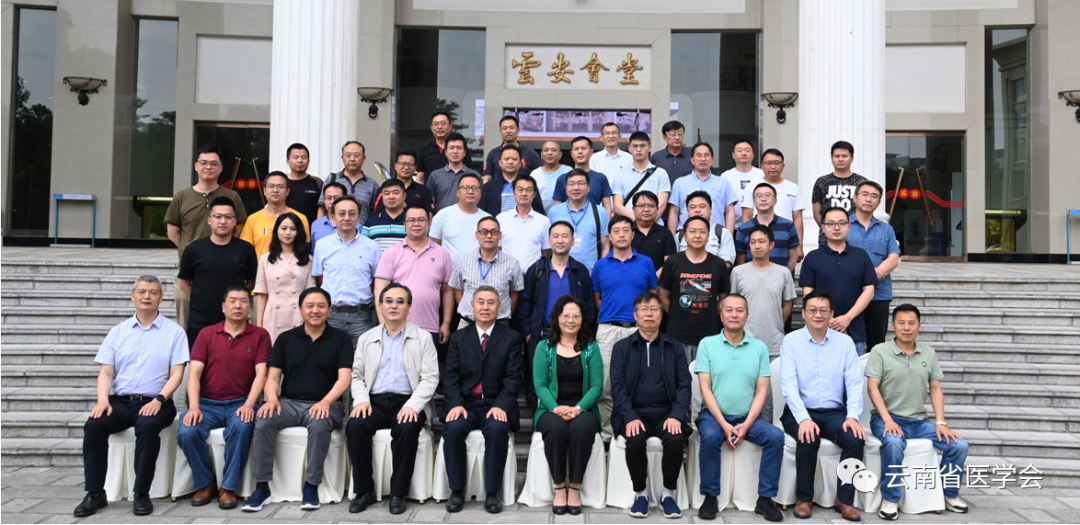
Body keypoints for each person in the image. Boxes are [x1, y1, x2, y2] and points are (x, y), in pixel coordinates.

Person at [74, 276, 188, 518]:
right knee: (94, 425)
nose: (147, 296)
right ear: (133, 296)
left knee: (147, 426)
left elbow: (177, 374)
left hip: (158, 401)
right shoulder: (118, 332)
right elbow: (106, 372)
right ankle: (95, 493)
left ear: (161, 298)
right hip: (121, 402)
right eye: (142, 291)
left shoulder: (175, 332)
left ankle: (142, 492)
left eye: (153, 292)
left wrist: (159, 400)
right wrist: (103, 400)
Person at [245, 287, 353, 512]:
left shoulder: (341, 338)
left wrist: (325, 402)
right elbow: (273, 377)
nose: (315, 311)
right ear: (300, 309)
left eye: (321, 306)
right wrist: (272, 398)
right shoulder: (286, 339)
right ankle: (262, 486)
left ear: (329, 310)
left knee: (319, 422)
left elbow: (345, 378)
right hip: (289, 403)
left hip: (327, 404)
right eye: (310, 306)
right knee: (264, 420)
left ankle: (311, 485)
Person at [866, 304, 969, 520]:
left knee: (959, 445)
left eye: (911, 323)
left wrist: (940, 422)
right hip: (886, 418)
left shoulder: (928, 353)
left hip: (919, 422)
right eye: (901, 323)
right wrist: (888, 420)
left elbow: (936, 389)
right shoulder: (880, 351)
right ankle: (891, 498)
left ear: (919, 326)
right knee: (893, 442)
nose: (906, 328)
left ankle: (949, 494)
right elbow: (872, 388)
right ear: (893, 325)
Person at [346, 283, 440, 515]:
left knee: (407, 428)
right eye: (388, 301)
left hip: (407, 401)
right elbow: (356, 375)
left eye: (400, 301)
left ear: (409, 307)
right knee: (355, 426)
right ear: (379, 306)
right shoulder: (367, 338)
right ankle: (364, 491)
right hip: (374, 402)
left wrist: (412, 406)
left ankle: (398, 493)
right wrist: (362, 401)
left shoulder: (423, 338)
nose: (394, 306)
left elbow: (430, 378)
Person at [177, 287, 271, 509]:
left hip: (241, 402)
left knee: (243, 427)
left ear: (250, 307)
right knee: (187, 431)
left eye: (243, 301)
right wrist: (194, 406)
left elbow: (262, 374)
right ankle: (205, 483)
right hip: (207, 404)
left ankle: (228, 487)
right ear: (223, 307)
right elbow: (194, 374)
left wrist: (249, 404)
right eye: (232, 301)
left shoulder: (260, 335)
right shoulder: (206, 334)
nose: (238, 305)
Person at [694, 294, 784, 522]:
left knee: (775, 436)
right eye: (729, 310)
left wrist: (746, 425)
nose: (734, 315)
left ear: (747, 315)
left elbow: (762, 391)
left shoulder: (759, 347)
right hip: (713, 416)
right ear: (721, 314)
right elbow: (705, 389)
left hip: (747, 417)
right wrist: (725, 425)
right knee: (711, 435)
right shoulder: (707, 344)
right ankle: (710, 497)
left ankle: (765, 499)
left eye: (739, 310)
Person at [779, 290, 865, 521]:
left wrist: (852, 416)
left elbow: (854, 383)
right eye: (813, 310)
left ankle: (844, 500)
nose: (818, 314)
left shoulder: (845, 342)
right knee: (808, 436)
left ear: (831, 313)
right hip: (799, 411)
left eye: (823, 310)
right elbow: (789, 385)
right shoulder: (791, 341)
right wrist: (804, 419)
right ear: (803, 313)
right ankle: (804, 498)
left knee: (855, 438)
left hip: (834, 412)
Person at [441, 286, 525, 514]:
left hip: (495, 404)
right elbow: (451, 375)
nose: (485, 307)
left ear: (500, 307)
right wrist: (455, 403)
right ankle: (456, 490)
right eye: (481, 302)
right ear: (472, 306)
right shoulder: (459, 338)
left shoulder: (512, 338)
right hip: (466, 404)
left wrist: (501, 405)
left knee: (497, 430)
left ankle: (492, 492)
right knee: (453, 429)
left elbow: (513, 377)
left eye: (491, 302)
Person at [610, 292, 692, 519]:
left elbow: (684, 385)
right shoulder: (622, 348)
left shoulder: (674, 347)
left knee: (675, 438)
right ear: (635, 315)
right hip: (634, 413)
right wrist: (629, 416)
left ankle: (668, 494)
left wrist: (677, 415)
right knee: (634, 438)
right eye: (644, 310)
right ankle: (641, 494)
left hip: (666, 414)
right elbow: (617, 387)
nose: (649, 314)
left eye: (654, 309)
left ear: (661, 315)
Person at [532, 296, 603, 516]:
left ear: (583, 319)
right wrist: (555, 408)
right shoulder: (544, 347)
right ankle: (559, 487)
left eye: (576, 316)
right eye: (566, 316)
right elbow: (540, 385)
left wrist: (578, 408)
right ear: (557, 318)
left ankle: (574, 488)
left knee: (581, 429)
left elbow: (597, 386)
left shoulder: (591, 348)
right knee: (556, 429)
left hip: (584, 409)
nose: (571, 320)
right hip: (550, 408)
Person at [165, 143, 248, 330]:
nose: (208, 167)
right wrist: (195, 254)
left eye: (213, 163)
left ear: (221, 168)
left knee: (227, 326)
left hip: (225, 271)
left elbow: (239, 228)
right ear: (196, 166)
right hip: (189, 273)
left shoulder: (232, 197)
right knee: (187, 327)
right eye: (203, 163)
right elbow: (173, 233)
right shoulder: (181, 197)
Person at [593, 215, 659, 441]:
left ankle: (635, 431)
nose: (621, 234)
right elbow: (598, 298)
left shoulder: (646, 263)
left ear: (633, 234)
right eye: (616, 231)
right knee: (605, 385)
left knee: (640, 382)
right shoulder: (600, 265)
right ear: (610, 236)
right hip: (608, 329)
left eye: (625, 230)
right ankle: (606, 436)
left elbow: (653, 295)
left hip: (639, 330)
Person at [519, 221, 596, 407]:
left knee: (571, 380)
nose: (560, 240)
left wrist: (585, 334)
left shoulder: (580, 271)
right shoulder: (537, 269)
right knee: (539, 382)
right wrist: (529, 333)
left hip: (573, 333)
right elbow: (525, 303)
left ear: (572, 241)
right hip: (542, 333)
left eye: (565, 236)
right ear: (549, 241)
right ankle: (540, 420)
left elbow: (588, 306)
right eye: (556, 236)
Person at [177, 197, 258, 346]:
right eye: (218, 216)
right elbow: (183, 282)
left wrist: (236, 301)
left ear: (235, 221)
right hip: (200, 320)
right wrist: (200, 300)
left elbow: (251, 282)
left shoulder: (246, 249)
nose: (223, 221)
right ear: (209, 220)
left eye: (228, 217)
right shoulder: (194, 249)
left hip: (234, 319)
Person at [374, 205, 455, 350]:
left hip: (430, 326)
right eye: (411, 220)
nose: (416, 224)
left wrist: (446, 323)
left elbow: (448, 290)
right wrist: (383, 323)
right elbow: (380, 288)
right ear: (404, 224)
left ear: (429, 223)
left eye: (421, 220)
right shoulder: (391, 252)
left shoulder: (442, 253)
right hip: (396, 325)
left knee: (427, 365)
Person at [799, 206, 878, 355]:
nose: (836, 227)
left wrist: (847, 318)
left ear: (849, 227)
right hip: (820, 331)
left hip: (854, 330)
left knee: (853, 370)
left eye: (841, 223)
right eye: (831, 223)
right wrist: (828, 320)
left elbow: (869, 291)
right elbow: (808, 294)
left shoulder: (861, 256)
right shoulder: (813, 258)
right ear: (823, 228)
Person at [312, 196, 383, 348]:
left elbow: (375, 282)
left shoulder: (372, 247)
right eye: (341, 213)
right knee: (329, 358)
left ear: (358, 217)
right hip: (330, 315)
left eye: (352, 213)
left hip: (361, 317)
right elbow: (320, 278)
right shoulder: (322, 245)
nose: (346, 218)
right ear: (333, 216)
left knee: (363, 358)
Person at [658, 216, 729, 361]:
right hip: (677, 334)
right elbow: (663, 295)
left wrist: (709, 312)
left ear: (708, 236)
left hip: (709, 335)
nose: (697, 235)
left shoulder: (719, 264)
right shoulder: (673, 262)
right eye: (693, 231)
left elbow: (724, 298)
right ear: (685, 236)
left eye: (702, 231)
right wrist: (677, 313)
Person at [847, 181, 901, 351]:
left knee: (876, 345)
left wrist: (875, 273)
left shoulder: (886, 229)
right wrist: (869, 274)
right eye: (864, 194)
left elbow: (894, 257)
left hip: (879, 295)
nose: (869, 199)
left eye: (874, 196)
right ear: (855, 198)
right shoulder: (843, 225)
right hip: (850, 294)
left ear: (879, 202)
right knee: (848, 343)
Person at [730, 225, 795, 358]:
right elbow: (731, 305)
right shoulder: (738, 272)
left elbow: (788, 305)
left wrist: (776, 324)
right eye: (753, 242)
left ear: (771, 245)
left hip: (775, 343)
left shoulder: (783, 273)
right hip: (744, 342)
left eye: (761, 241)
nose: (757, 246)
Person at [449, 216, 525, 327]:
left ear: (499, 235)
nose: (489, 236)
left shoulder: (512, 263)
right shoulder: (463, 261)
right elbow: (457, 290)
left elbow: (515, 295)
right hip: (468, 323)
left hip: (500, 324)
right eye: (484, 232)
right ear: (477, 235)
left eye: (493, 232)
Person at [254, 212, 317, 344]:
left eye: (293, 229)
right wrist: (259, 324)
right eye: (284, 228)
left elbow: (310, 294)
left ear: (298, 232)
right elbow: (262, 294)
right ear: (276, 230)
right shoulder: (265, 259)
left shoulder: (308, 260)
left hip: (298, 316)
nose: (288, 233)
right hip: (273, 316)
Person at [740, 148, 805, 260]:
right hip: (758, 241)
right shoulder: (752, 187)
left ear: (783, 166)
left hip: (785, 238)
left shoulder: (793, 188)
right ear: (762, 166)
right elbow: (747, 216)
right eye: (769, 163)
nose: (773, 166)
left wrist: (799, 246)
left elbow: (798, 218)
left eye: (777, 163)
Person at [547, 169, 611, 272]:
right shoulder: (554, 212)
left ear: (588, 187)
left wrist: (600, 271)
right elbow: (549, 245)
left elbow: (605, 246)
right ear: (566, 188)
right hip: (560, 274)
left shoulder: (600, 212)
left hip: (591, 274)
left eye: (580, 183)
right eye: (571, 184)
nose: (576, 188)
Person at [668, 142, 738, 235]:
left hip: (716, 234)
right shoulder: (679, 183)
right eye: (699, 155)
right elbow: (674, 212)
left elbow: (729, 211)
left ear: (712, 160)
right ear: (692, 160)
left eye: (706, 155)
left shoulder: (723, 183)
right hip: (687, 234)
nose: (703, 159)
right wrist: (673, 238)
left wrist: (728, 236)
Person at [239, 171, 311, 259]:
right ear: (264, 190)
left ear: (287, 191)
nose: (275, 190)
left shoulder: (300, 218)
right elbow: (245, 251)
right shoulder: (252, 219)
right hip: (260, 267)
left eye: (280, 186)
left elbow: (304, 250)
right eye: (271, 186)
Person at [811, 141, 868, 247]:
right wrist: (829, 229)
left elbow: (866, 211)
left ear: (852, 158)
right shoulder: (821, 182)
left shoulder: (862, 182)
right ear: (832, 159)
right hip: (827, 239)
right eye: (837, 156)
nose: (840, 159)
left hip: (856, 238)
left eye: (844, 156)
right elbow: (817, 214)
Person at [734, 183, 799, 273]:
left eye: (768, 195)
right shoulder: (743, 229)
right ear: (754, 201)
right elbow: (740, 262)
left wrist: (782, 277)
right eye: (759, 196)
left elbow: (792, 260)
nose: (763, 199)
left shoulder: (788, 226)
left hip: (780, 279)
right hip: (752, 279)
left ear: (775, 201)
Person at [430, 172, 491, 264]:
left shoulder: (488, 219)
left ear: (480, 193)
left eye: (475, 188)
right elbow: (433, 245)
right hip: (449, 271)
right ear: (458, 192)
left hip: (481, 271)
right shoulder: (442, 215)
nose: (470, 191)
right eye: (465, 188)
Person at [612, 132, 671, 223]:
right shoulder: (620, 175)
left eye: (642, 146)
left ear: (649, 148)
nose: (639, 149)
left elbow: (662, 204)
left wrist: (649, 224)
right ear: (630, 148)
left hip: (655, 226)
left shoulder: (661, 173)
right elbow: (618, 206)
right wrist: (639, 223)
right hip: (629, 226)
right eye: (635, 146)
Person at [497, 175, 551, 271]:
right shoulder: (501, 219)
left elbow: (546, 251)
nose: (524, 194)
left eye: (528, 190)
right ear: (514, 193)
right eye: (520, 190)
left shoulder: (544, 221)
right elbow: (498, 247)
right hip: (506, 274)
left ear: (534, 194)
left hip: (533, 275)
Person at [319, 141, 379, 225]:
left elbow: (374, 212)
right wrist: (320, 227)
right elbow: (322, 207)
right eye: (348, 155)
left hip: (363, 231)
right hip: (335, 230)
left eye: (356, 155)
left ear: (364, 158)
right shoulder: (332, 179)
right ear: (342, 158)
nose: (352, 159)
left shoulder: (372, 184)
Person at [553, 135, 614, 216]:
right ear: (571, 153)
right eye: (576, 149)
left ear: (591, 152)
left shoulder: (601, 178)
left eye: (583, 148)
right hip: (567, 222)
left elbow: (607, 209)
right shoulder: (562, 179)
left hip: (594, 222)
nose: (580, 152)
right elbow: (557, 209)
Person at [480, 145, 545, 217]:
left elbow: (539, 212)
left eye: (514, 159)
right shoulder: (489, 187)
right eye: (506, 159)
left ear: (520, 163)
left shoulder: (529, 185)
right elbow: (481, 213)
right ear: (500, 163)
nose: (510, 162)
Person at [676, 191, 736, 267]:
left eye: (702, 206)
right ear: (688, 211)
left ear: (710, 210)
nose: (697, 210)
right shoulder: (680, 235)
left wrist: (704, 272)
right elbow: (674, 262)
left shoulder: (723, 233)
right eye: (693, 207)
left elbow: (727, 263)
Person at [427, 132, 481, 215]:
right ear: (446, 151)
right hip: (442, 220)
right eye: (451, 148)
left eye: (459, 148)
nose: (455, 151)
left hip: (468, 218)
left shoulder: (475, 176)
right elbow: (430, 203)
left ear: (464, 152)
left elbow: (480, 201)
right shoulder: (435, 175)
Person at [416, 111, 476, 184]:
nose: (440, 127)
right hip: (431, 190)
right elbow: (420, 179)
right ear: (431, 128)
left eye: (443, 123)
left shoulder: (459, 149)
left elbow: (470, 174)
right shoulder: (424, 150)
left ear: (450, 126)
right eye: (436, 124)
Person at [374, 149, 435, 215]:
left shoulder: (424, 191)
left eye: (410, 164)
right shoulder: (384, 190)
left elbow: (429, 216)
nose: (406, 167)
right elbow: (378, 214)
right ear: (395, 166)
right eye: (402, 164)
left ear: (415, 168)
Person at [629, 191, 677, 275]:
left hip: (658, 281)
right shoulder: (626, 232)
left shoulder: (665, 233)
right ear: (633, 209)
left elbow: (669, 262)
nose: (646, 209)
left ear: (657, 209)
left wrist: (653, 279)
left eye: (651, 206)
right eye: (641, 205)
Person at [719, 139, 764, 226]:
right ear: (733, 155)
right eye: (740, 150)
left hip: (758, 225)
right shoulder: (725, 176)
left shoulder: (762, 174)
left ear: (753, 155)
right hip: (732, 226)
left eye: (747, 150)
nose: (744, 153)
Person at [484, 115, 543, 182]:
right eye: (505, 128)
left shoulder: (530, 152)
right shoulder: (493, 153)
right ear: (500, 132)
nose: (508, 131)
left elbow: (542, 173)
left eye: (511, 128)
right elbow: (487, 177)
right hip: (499, 188)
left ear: (518, 130)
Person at [283, 143, 324, 226]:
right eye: (295, 157)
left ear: (308, 161)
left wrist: (318, 228)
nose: (300, 160)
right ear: (288, 161)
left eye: (303, 157)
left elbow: (322, 207)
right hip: (285, 230)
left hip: (310, 230)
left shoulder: (318, 182)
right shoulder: (281, 182)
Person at [363, 178, 409, 252]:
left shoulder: (412, 221)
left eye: (396, 193)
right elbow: (363, 250)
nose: (391, 197)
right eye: (387, 193)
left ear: (404, 196)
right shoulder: (370, 223)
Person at [532, 140, 571, 211]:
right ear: (541, 155)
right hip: (540, 214)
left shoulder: (569, 171)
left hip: (565, 214)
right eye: (546, 150)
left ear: (560, 154)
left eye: (553, 150)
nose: (549, 153)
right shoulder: (535, 174)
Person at [650, 120, 693, 185]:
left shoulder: (692, 156)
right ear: (664, 137)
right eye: (673, 134)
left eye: (680, 134)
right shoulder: (656, 157)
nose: (677, 138)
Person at [310, 182, 345, 250]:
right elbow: (314, 252)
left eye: (336, 198)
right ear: (324, 200)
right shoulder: (316, 225)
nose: (332, 202)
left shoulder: (356, 226)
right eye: (328, 198)